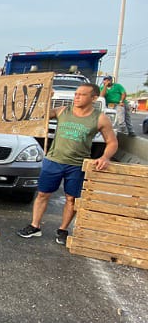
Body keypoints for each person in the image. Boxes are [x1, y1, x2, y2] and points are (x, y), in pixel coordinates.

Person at [17, 83, 117, 245]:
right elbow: (40, 115)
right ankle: (35, 226)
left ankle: (63, 229)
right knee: (43, 194)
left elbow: (112, 142)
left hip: (77, 165)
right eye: (76, 93)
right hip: (53, 161)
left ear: (94, 98)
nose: (76, 97)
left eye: (81, 94)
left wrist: (105, 157)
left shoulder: (99, 118)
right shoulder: (64, 111)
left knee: (71, 199)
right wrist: (46, 98)